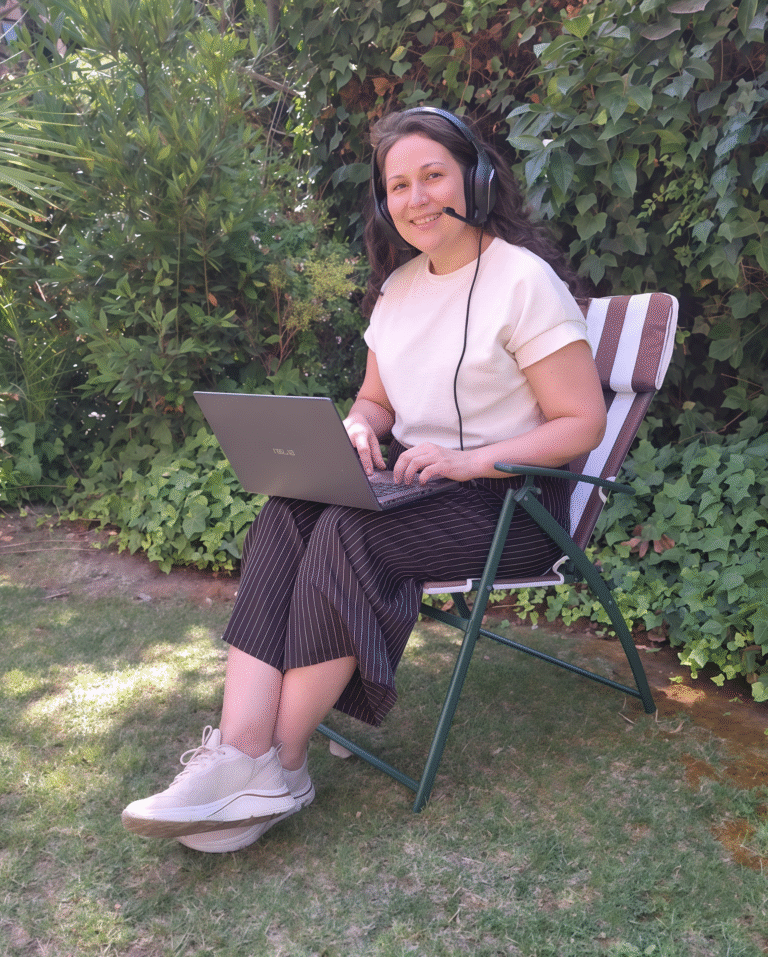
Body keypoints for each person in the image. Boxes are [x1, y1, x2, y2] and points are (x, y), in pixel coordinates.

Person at [121, 106, 607, 853]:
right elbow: (375, 399)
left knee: (351, 532)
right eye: (399, 185)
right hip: (418, 492)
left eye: (433, 176)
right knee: (290, 507)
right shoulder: (400, 288)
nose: (416, 198)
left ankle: (280, 766)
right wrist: (357, 427)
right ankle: (237, 752)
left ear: (474, 178)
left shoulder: (521, 281)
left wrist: (471, 459)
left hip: (510, 506)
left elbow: (582, 422)